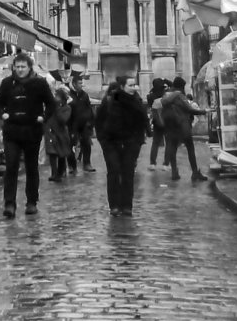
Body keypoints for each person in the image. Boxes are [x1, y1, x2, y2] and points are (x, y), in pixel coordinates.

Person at [0, 54, 56, 218]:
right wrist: (2, 114)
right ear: (14, 67)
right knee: (11, 166)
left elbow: (51, 103)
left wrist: (44, 118)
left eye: (23, 67)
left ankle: (32, 201)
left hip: (31, 130)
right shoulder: (7, 83)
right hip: (12, 130)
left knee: (31, 167)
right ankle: (9, 203)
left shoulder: (40, 83)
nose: (20, 70)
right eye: (17, 67)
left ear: (29, 67)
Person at [95, 75, 150, 217]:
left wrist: (138, 141)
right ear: (122, 87)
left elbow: (142, 122)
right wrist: (103, 140)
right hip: (111, 142)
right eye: (130, 85)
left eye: (135, 85)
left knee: (128, 174)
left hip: (131, 143)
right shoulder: (110, 101)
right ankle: (114, 205)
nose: (134, 88)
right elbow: (99, 121)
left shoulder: (137, 101)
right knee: (113, 171)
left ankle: (126, 206)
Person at [159, 76, 208, 182]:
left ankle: (174, 172)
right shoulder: (179, 95)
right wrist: (203, 111)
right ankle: (195, 172)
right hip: (182, 126)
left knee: (173, 149)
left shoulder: (167, 94)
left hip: (171, 127)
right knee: (190, 149)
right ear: (181, 86)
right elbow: (189, 109)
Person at [44, 78, 74, 182]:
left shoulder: (67, 108)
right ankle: (54, 173)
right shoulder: (51, 106)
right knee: (52, 153)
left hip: (60, 133)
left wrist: (57, 109)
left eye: (57, 97)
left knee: (61, 153)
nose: (56, 98)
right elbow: (46, 116)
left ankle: (61, 172)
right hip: (50, 132)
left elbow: (63, 119)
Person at [67, 71, 96, 173]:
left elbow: (89, 108)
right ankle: (71, 166)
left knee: (86, 144)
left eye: (81, 83)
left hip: (84, 124)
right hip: (72, 125)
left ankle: (87, 164)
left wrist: (91, 121)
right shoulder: (69, 95)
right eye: (79, 83)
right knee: (70, 145)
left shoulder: (84, 95)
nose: (81, 85)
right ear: (74, 84)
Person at [146, 78, 169, 168]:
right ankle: (166, 164)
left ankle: (152, 163)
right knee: (168, 143)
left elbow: (150, 109)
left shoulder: (150, 96)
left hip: (157, 122)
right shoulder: (166, 95)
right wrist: (165, 80)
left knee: (155, 143)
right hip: (167, 121)